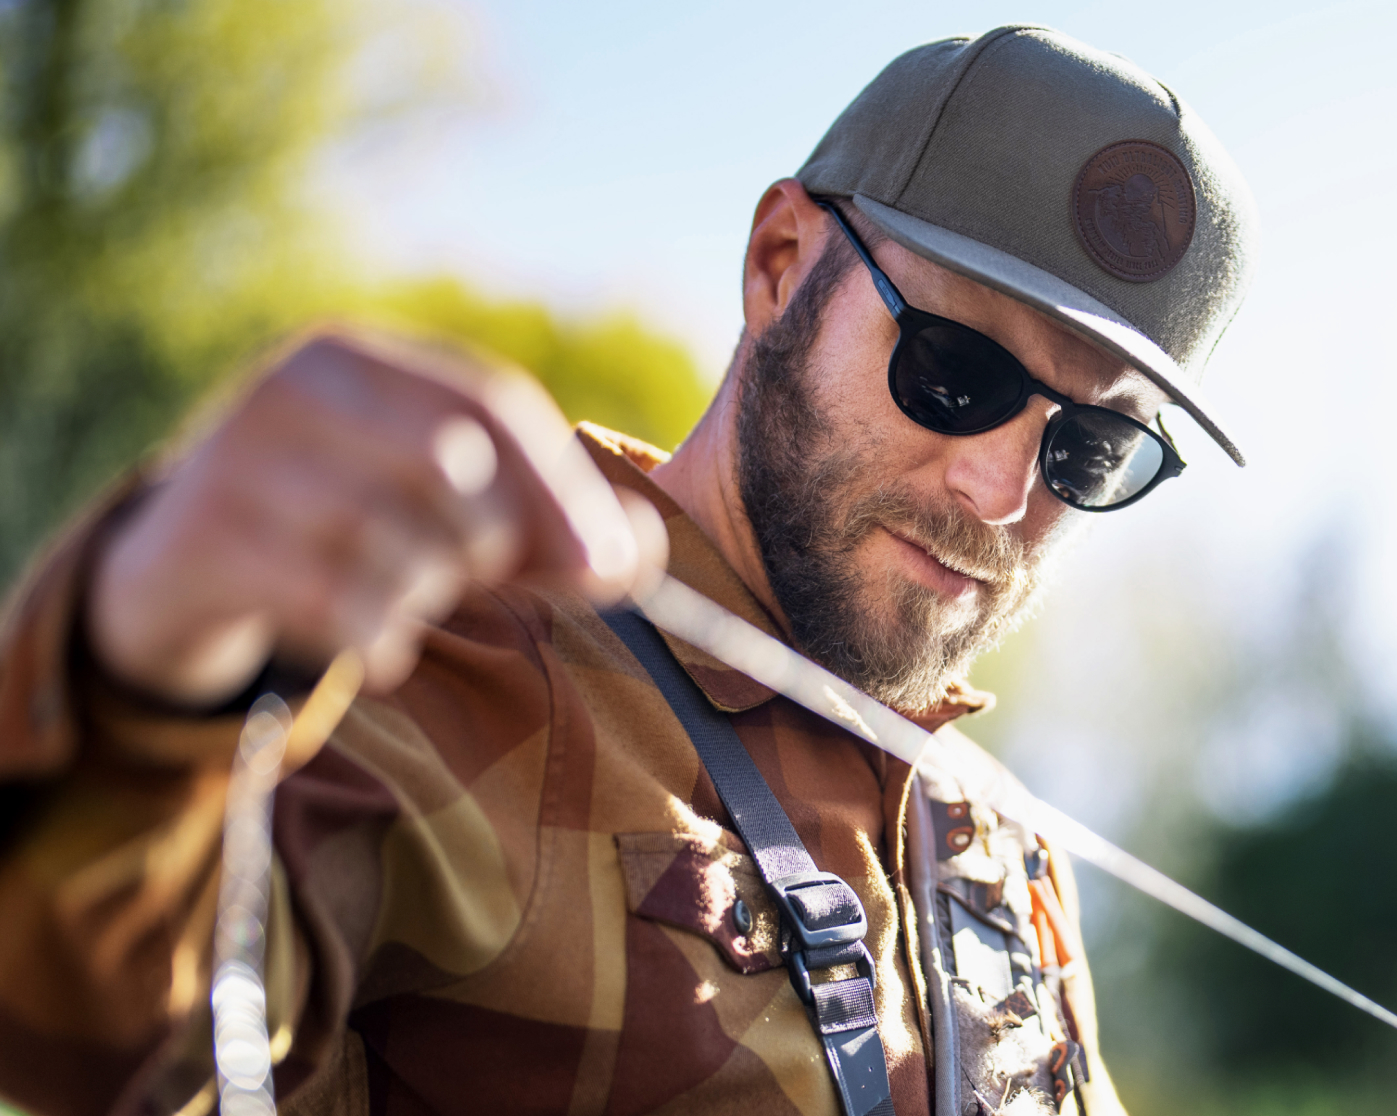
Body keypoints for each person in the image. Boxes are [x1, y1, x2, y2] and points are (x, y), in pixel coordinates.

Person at [0, 25, 1256, 1116]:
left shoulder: (1000, 840)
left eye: (1091, 448)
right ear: (779, 265)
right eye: (951, 371)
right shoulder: (432, 664)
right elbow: (77, 1026)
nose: (999, 492)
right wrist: (144, 673)